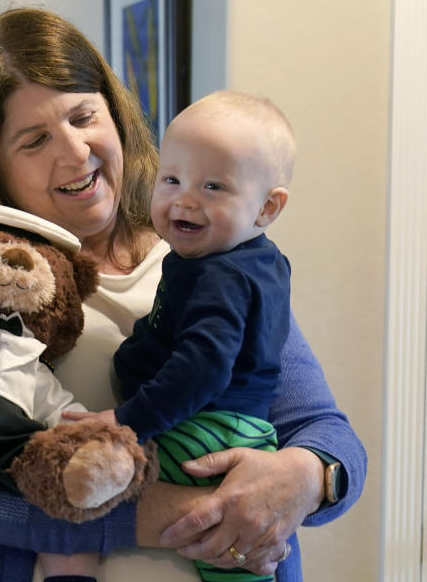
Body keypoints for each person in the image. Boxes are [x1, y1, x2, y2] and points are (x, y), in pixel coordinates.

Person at [0, 8, 366, 582]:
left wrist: (304, 478)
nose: (76, 151)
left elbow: (331, 436)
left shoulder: (211, 256)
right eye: (35, 140)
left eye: (85, 116)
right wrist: (178, 515)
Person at [99, 90, 297, 582]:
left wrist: (126, 425)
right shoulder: (253, 260)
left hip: (207, 428)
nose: (184, 199)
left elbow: (203, 368)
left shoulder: (220, 275)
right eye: (172, 179)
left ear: (267, 208)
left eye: (213, 186)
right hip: (235, 425)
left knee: (219, 539)